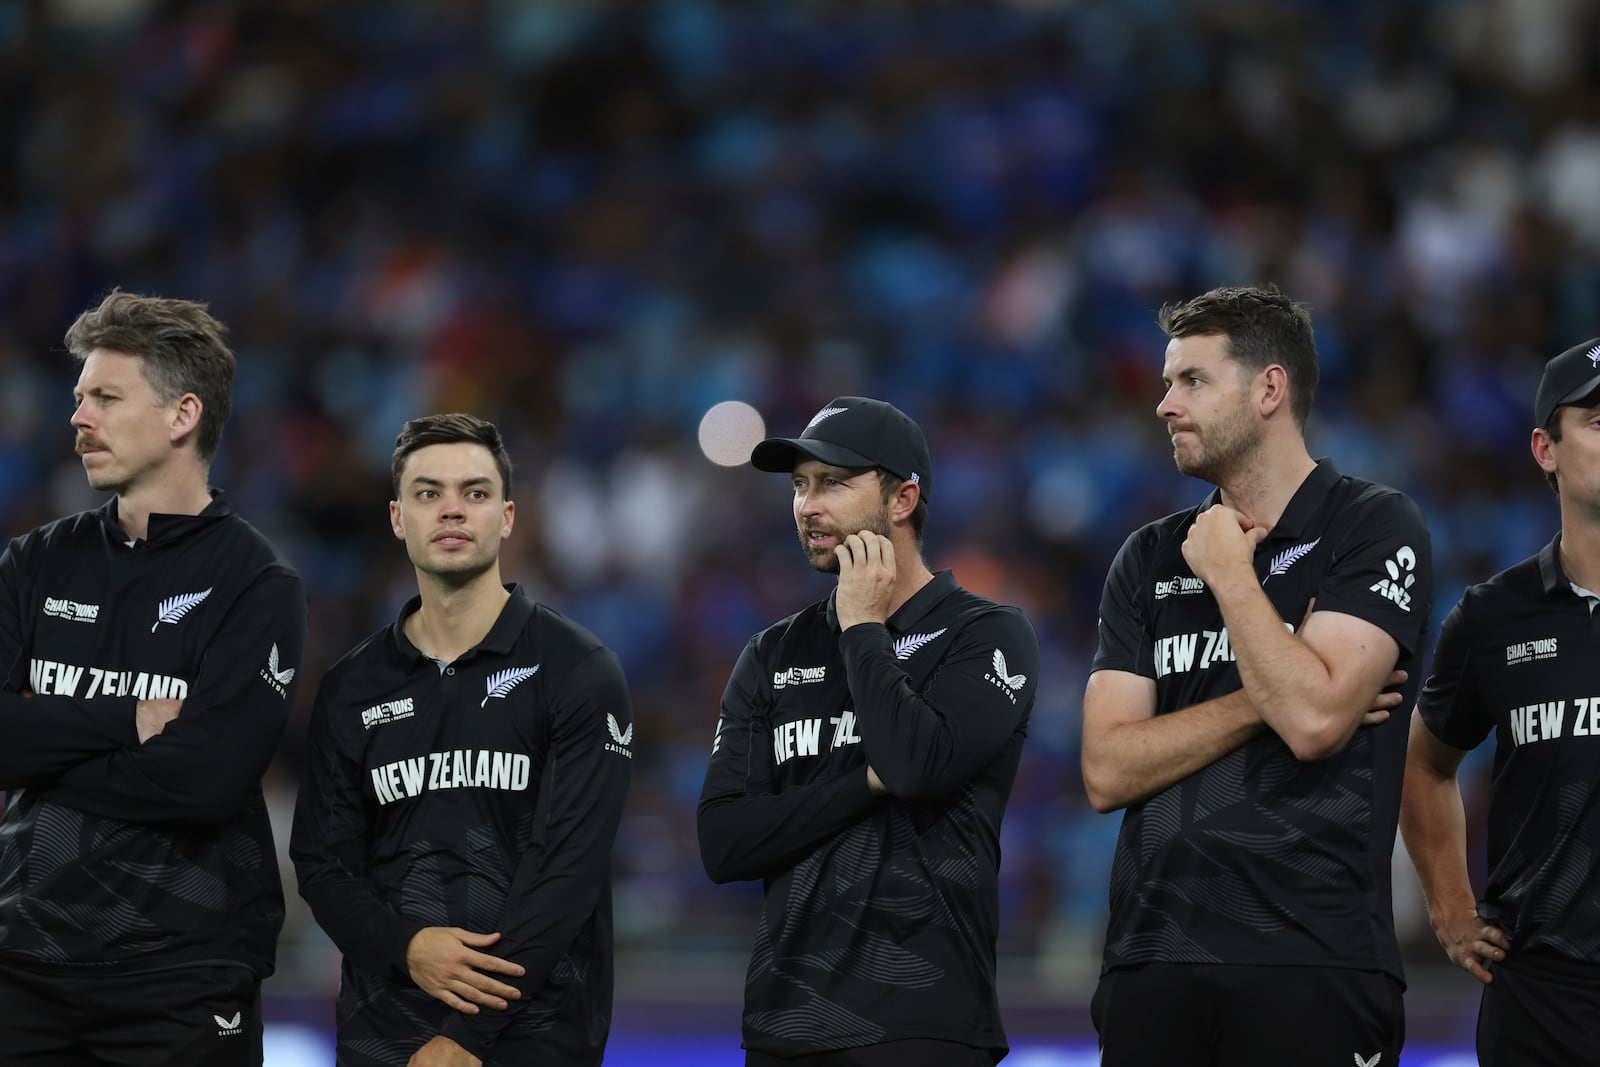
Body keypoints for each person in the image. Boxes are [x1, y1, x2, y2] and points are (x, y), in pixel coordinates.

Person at [1080, 284, 1433, 1067]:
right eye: (1168, 383)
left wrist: (1230, 577)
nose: (1166, 404)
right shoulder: (1147, 556)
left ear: (1270, 388)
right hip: (1150, 960)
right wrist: (1260, 697)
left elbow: (1312, 725)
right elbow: (1107, 769)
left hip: (1312, 958)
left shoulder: (1370, 525)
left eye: (1192, 381)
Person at [0, 290, 308, 1065]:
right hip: (20, 968)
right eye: (79, 398)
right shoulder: (33, 563)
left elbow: (204, 778)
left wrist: (44, 741)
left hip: (182, 981)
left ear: (182, 416)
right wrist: (129, 720)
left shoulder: (256, 583)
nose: (79, 417)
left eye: (106, 397)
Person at [698, 396, 1038, 1067]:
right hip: (782, 1024)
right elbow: (724, 842)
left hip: (923, 1022)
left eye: (834, 482)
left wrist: (861, 626)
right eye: (800, 485)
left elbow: (913, 766)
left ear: (903, 497)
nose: (807, 504)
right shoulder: (772, 653)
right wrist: (866, 778)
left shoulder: (986, 633)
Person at [291, 412, 633, 1067]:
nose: (452, 509)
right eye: (428, 493)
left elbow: (568, 869)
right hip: (384, 1035)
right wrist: (407, 945)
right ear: (397, 518)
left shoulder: (578, 669)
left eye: (474, 493)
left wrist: (466, 1038)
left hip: (535, 1037)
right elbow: (323, 863)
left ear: (507, 516)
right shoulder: (350, 686)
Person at [1399, 337, 1600, 1066]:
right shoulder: (1492, 618)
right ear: (1546, 448)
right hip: (1539, 994)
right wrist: (1451, 904)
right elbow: (1423, 763)